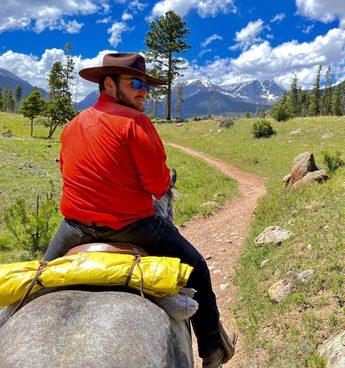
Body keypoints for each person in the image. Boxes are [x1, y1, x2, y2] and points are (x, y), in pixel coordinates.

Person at [43, 52, 235, 368]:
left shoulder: (72, 126)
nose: (143, 90)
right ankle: (212, 350)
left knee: (38, 280)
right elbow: (159, 185)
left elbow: (67, 171)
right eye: (135, 83)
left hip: (74, 230)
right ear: (108, 83)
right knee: (198, 268)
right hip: (134, 226)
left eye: (146, 85)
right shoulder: (136, 123)